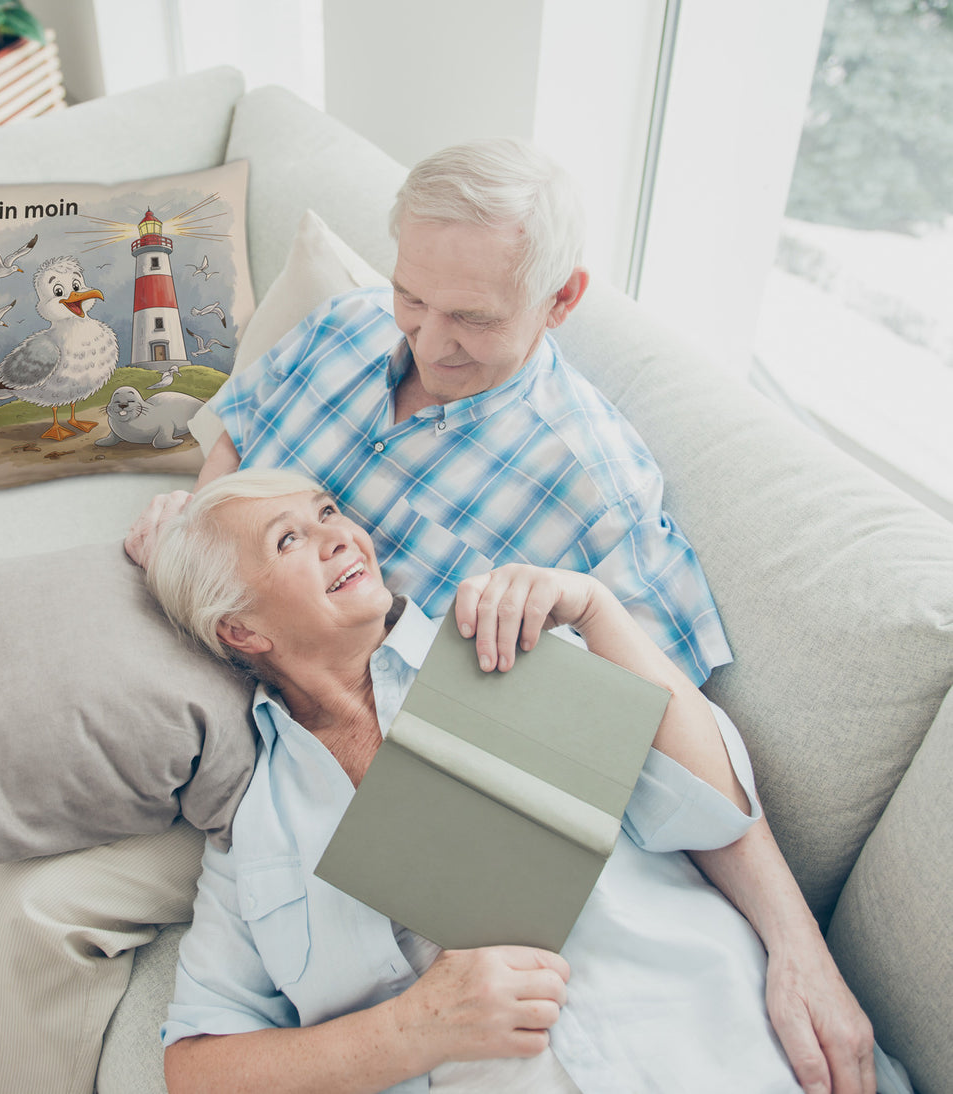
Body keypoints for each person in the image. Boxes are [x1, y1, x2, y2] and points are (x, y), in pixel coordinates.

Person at [0, 140, 870, 1094]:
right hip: (227, 625)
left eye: (471, 318)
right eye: (414, 295)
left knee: (39, 904)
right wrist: (199, 520)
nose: (426, 337)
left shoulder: (593, 488)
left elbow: (666, 734)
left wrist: (796, 943)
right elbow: (235, 436)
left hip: (316, 731)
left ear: (559, 301)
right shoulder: (348, 327)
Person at [146, 468, 899, 1094]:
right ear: (241, 630)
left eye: (328, 512)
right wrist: (413, 1029)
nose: (340, 535)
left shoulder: (501, 642)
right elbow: (197, 1068)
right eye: (289, 539)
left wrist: (598, 611)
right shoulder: (256, 831)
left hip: (724, 1047)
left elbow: (711, 809)